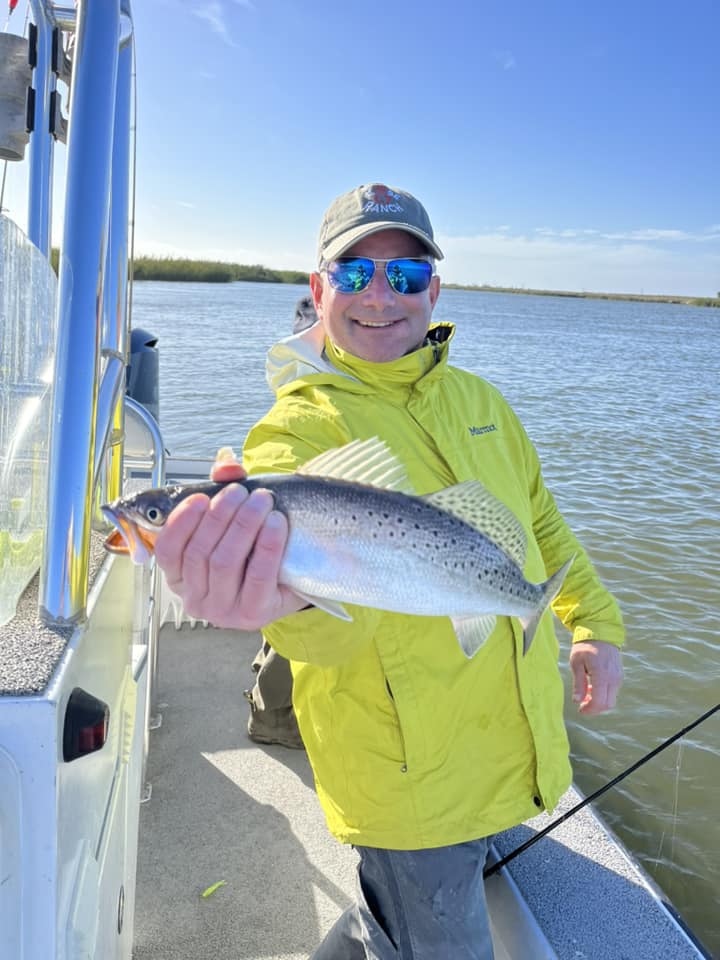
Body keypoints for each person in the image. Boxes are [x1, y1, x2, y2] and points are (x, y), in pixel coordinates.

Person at [154, 183, 624, 960]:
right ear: (317, 290)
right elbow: (329, 638)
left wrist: (594, 624)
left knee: (396, 923)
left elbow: (542, 525)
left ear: (433, 290)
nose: (381, 295)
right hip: (408, 786)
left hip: (507, 757)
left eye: (405, 276)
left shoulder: (484, 402)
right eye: (354, 273)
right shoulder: (291, 435)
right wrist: (288, 604)